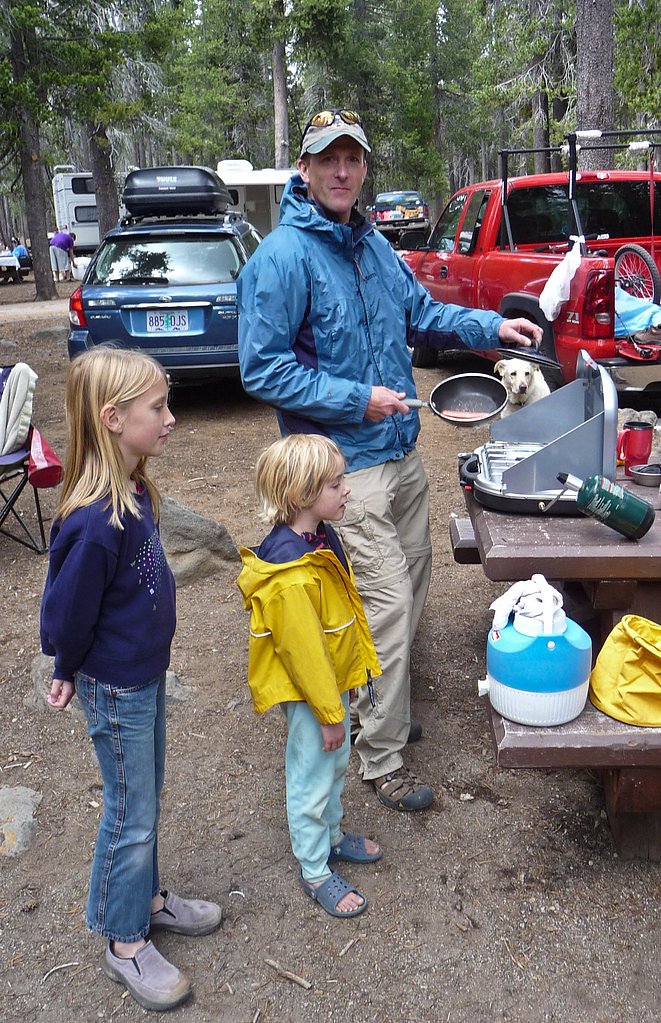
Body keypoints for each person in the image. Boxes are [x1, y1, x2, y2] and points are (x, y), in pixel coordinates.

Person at [238, 107, 543, 814]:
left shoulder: (371, 245)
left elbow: (424, 314)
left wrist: (490, 325)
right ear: (306, 170)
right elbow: (262, 368)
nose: (342, 171)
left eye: (353, 158)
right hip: (346, 469)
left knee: (410, 589)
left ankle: (385, 706)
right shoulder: (282, 257)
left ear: (363, 168)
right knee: (384, 609)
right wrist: (355, 399)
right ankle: (379, 757)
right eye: (328, 159)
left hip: (401, 454)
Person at [40, 347, 222, 1012]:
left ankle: (141, 898)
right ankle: (123, 941)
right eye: (158, 409)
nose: (170, 418)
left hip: (145, 676)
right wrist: (64, 666)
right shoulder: (94, 520)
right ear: (113, 418)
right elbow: (66, 607)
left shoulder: (136, 489)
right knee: (129, 810)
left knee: (145, 798)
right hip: (115, 687)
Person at [237, 434, 382, 918]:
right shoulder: (291, 573)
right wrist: (327, 713)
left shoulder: (318, 537)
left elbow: (337, 621)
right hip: (310, 696)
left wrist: (353, 673)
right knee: (312, 775)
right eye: (335, 484)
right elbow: (304, 654)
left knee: (334, 765)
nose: (347, 491)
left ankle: (332, 837)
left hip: (330, 684)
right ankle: (314, 867)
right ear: (301, 495)